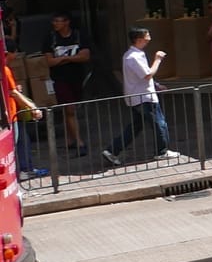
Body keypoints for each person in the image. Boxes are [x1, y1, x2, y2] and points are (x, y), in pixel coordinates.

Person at [102, 26, 173, 166]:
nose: (149, 39)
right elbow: (147, 74)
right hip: (144, 97)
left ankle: (112, 150)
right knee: (159, 123)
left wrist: (156, 85)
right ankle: (162, 151)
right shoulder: (134, 56)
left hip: (137, 97)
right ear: (139, 39)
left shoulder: (132, 55)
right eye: (147, 37)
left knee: (136, 126)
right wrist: (158, 59)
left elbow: (141, 75)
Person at [39, 9, 92, 156]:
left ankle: (70, 139)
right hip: (59, 78)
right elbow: (49, 61)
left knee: (70, 109)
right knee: (69, 109)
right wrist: (73, 58)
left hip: (77, 77)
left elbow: (85, 56)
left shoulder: (79, 36)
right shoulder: (50, 38)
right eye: (54, 21)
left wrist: (63, 59)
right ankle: (80, 142)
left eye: (58, 21)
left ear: (67, 22)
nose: (55, 24)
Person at [3, 50, 44, 179]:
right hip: (9, 114)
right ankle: (19, 173)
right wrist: (32, 107)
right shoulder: (4, 69)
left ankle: (23, 170)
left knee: (20, 141)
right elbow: (13, 92)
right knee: (13, 146)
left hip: (9, 113)